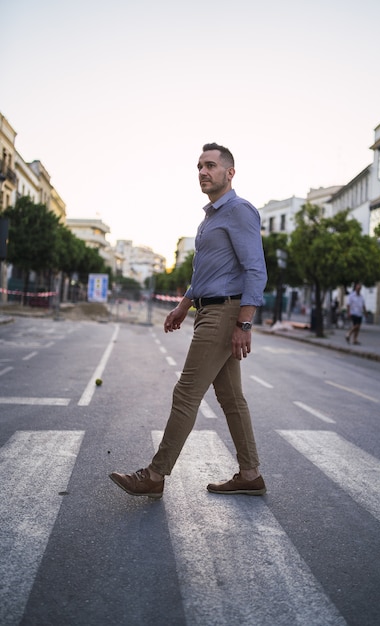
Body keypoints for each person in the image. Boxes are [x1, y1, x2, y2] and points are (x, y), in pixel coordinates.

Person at [109, 143, 268, 499]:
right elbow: (205, 274)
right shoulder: (210, 218)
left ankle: (154, 474)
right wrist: (183, 305)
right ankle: (250, 473)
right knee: (231, 397)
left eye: (210, 165)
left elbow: (255, 268)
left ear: (230, 173)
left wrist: (244, 322)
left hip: (225, 312)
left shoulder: (240, 211)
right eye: (199, 166)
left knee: (186, 393)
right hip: (208, 309)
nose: (202, 172)